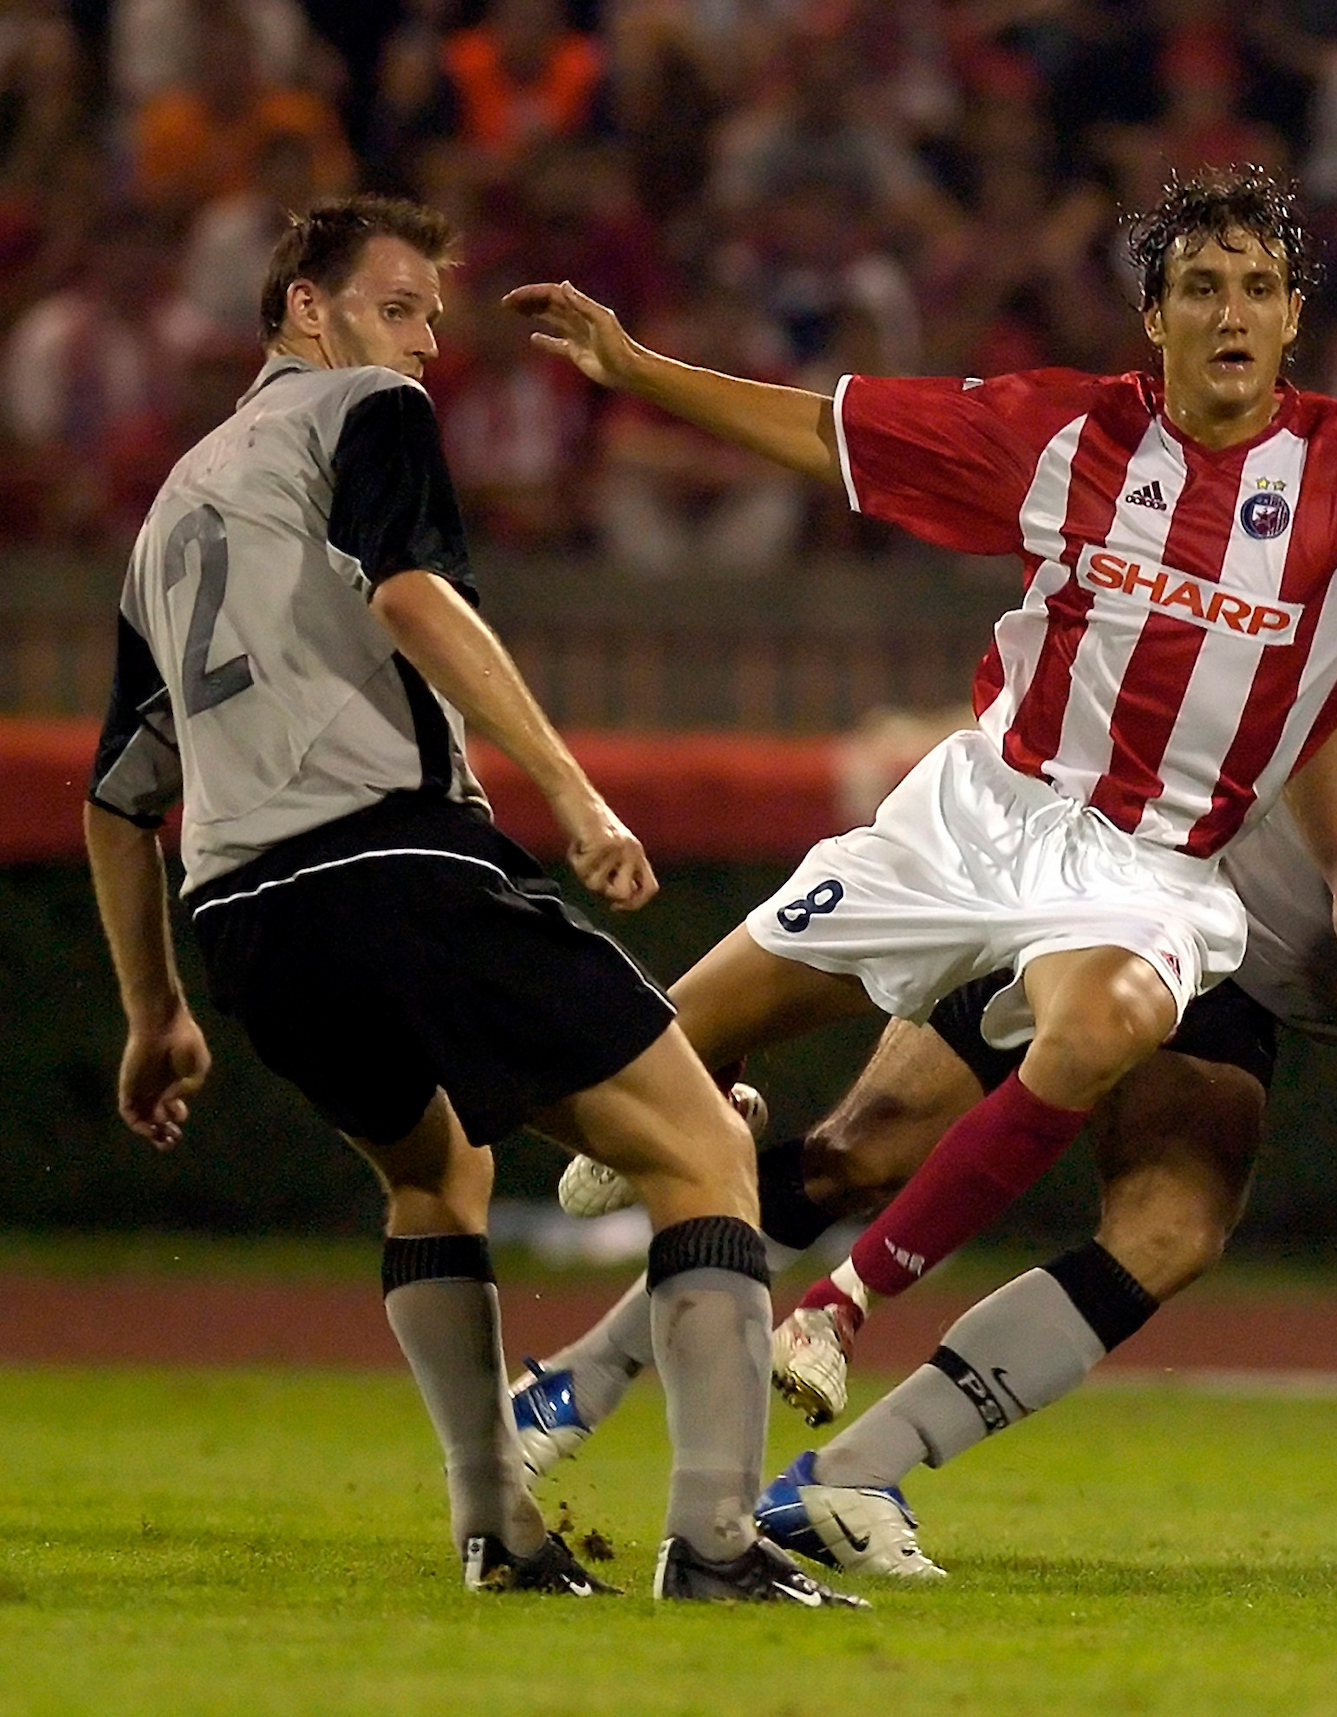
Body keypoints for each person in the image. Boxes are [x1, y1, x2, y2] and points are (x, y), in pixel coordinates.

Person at [501, 166, 1337, 1401]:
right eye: (1201, 288)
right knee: (619, 1054)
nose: (1233, 314)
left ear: (1296, 315)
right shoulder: (1067, 434)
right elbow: (834, 437)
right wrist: (637, 365)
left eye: (1259, 288)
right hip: (975, 812)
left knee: (1106, 1024)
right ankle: (670, 1169)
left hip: (1142, 868)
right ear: (1156, 319)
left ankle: (839, 1308)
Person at [516, 672, 1337, 1589]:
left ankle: (853, 1474)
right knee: (866, 1148)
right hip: (1136, 877)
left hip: (1225, 981)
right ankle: (581, 1376)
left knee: (1174, 1228)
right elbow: (1328, 697)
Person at [81, 194, 857, 1608]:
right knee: (704, 1148)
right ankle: (720, 1540)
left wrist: (154, 1013)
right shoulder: (361, 410)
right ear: (305, 311)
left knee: (437, 1174)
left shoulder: (171, 515)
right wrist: (575, 792)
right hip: (391, 856)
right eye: (397, 306)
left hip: (246, 920)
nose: (426, 343)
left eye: (432, 317)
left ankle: (496, 1528)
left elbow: (121, 798)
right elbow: (414, 595)